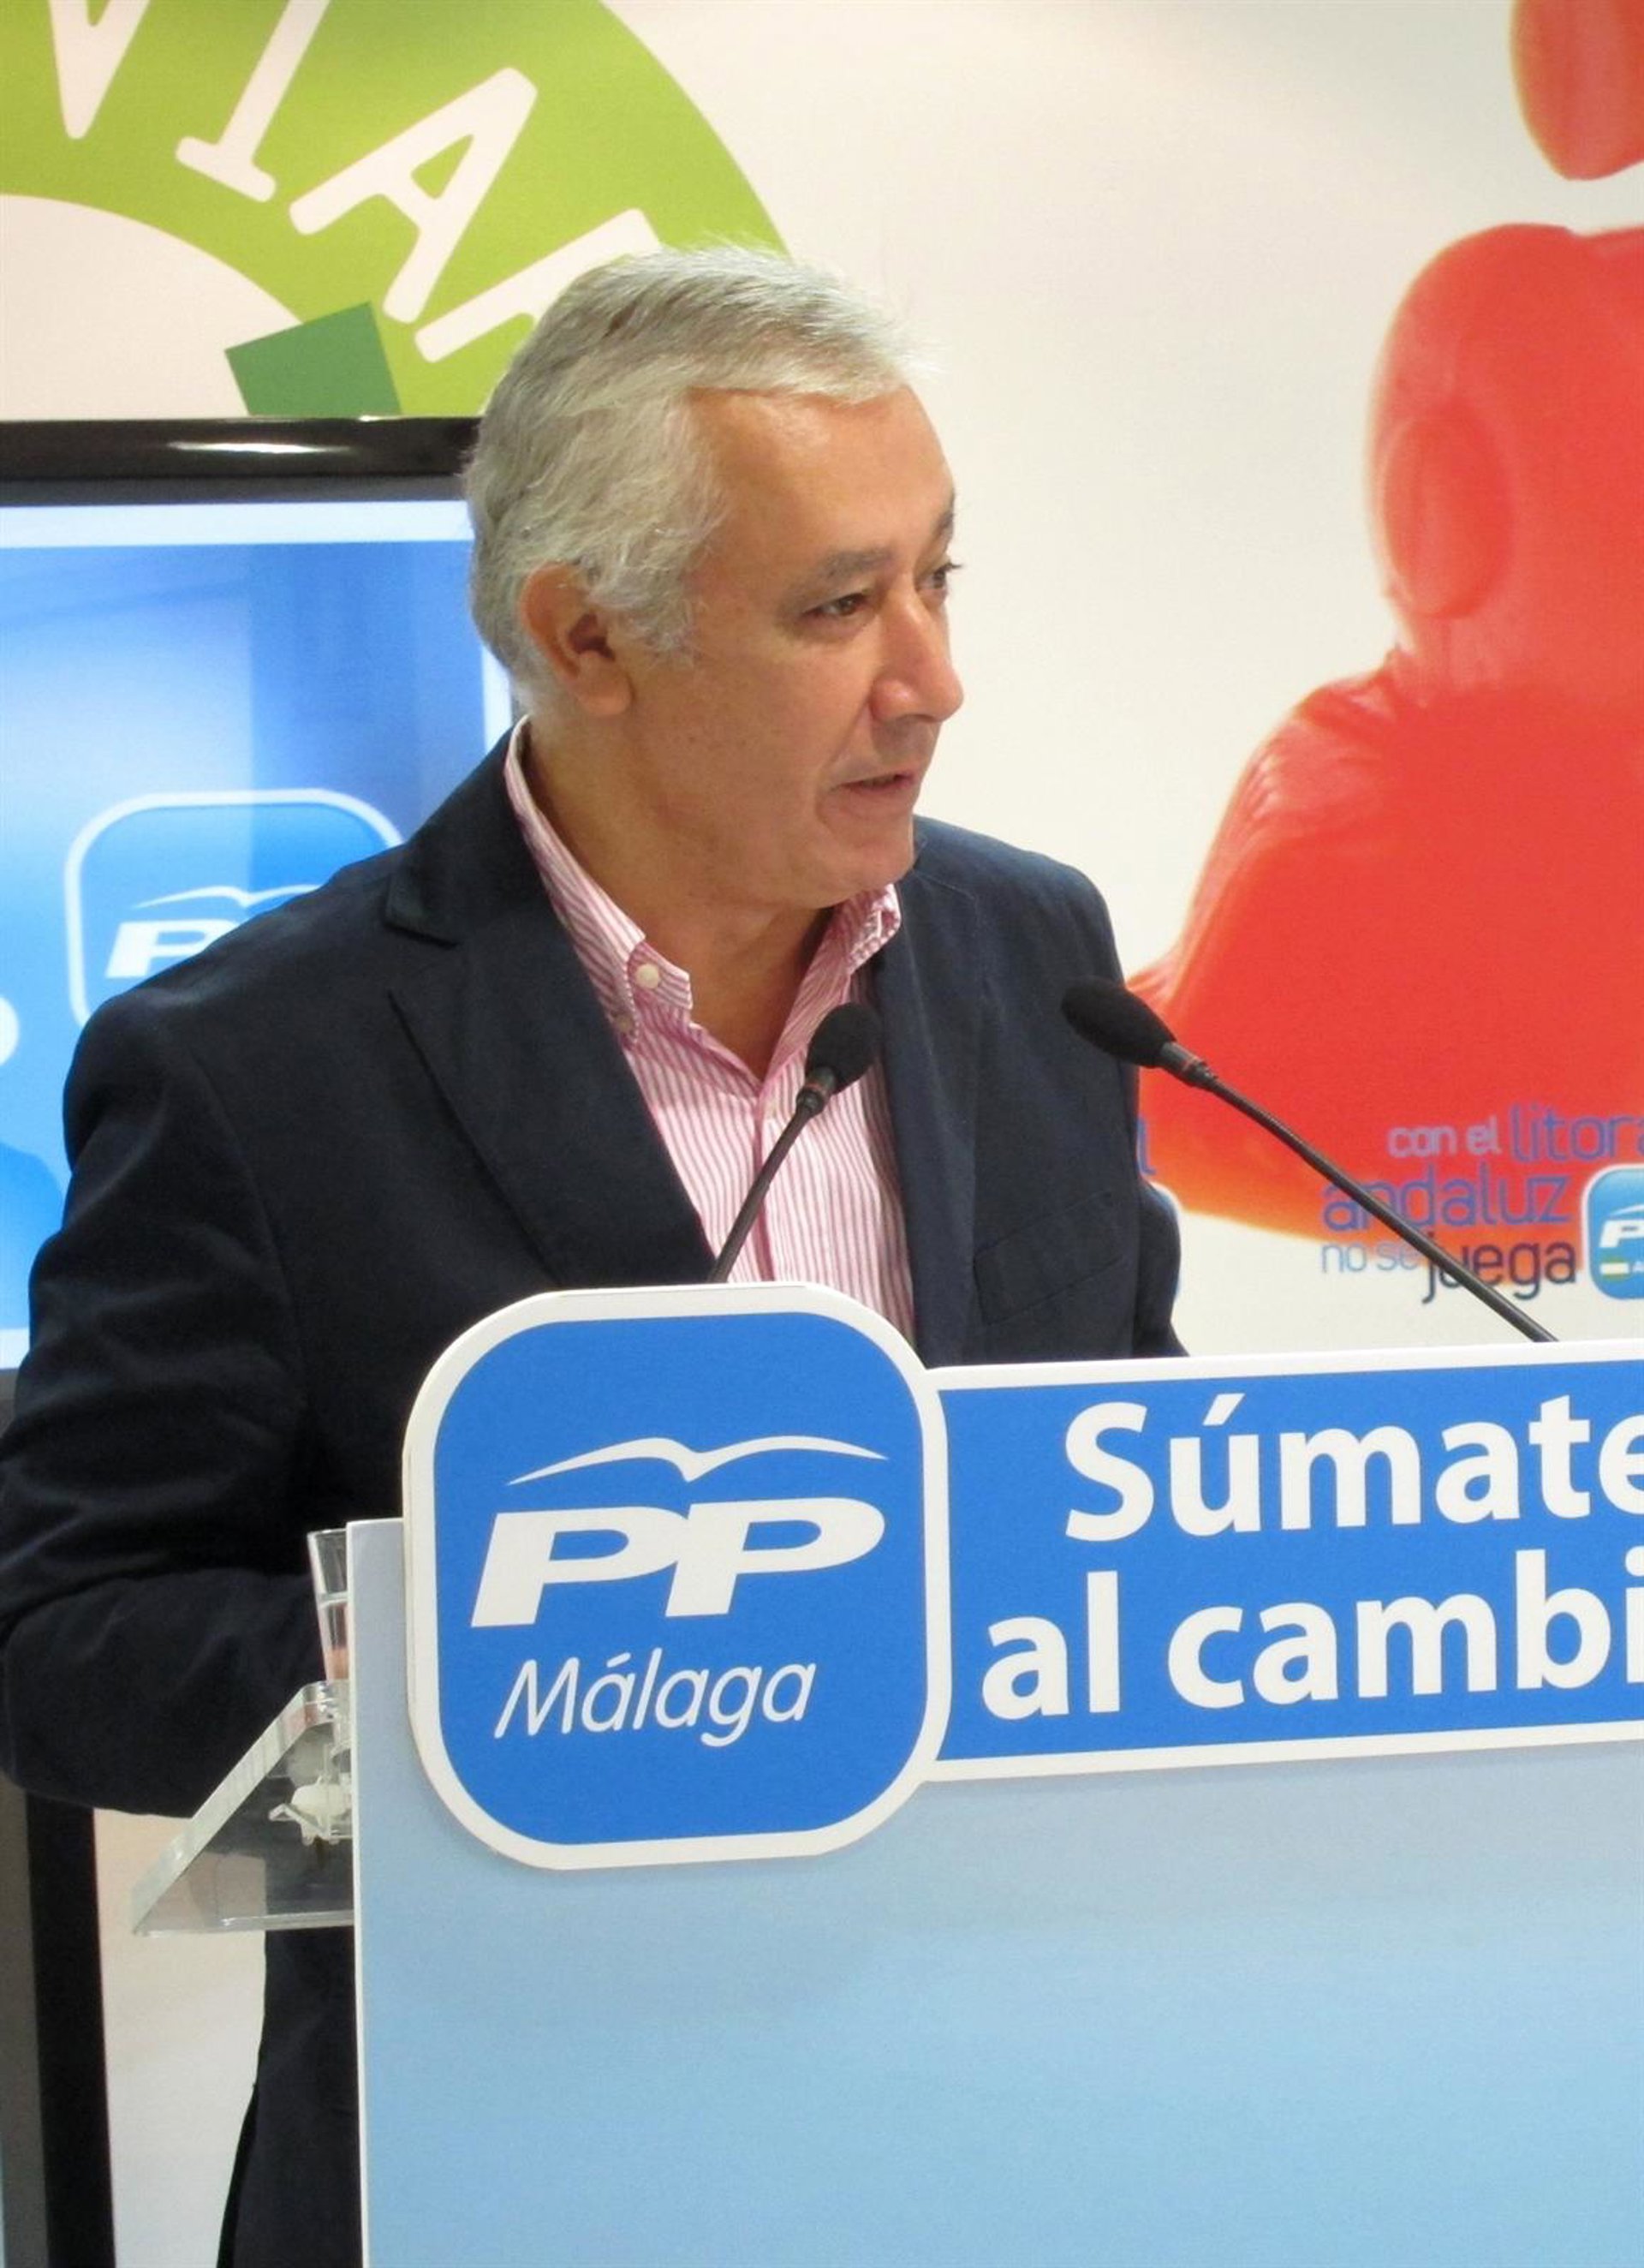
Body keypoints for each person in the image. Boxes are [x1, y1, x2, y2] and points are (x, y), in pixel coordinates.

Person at [0, 247, 1180, 2267]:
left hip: (996, 2117)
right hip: (505, 2145)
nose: (931, 678)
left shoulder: (1034, 954)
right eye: (839, 606)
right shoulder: (257, 1063)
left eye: (938, 578)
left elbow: (1113, 1453)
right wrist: (487, 1673)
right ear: (588, 636)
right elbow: (59, 1626)